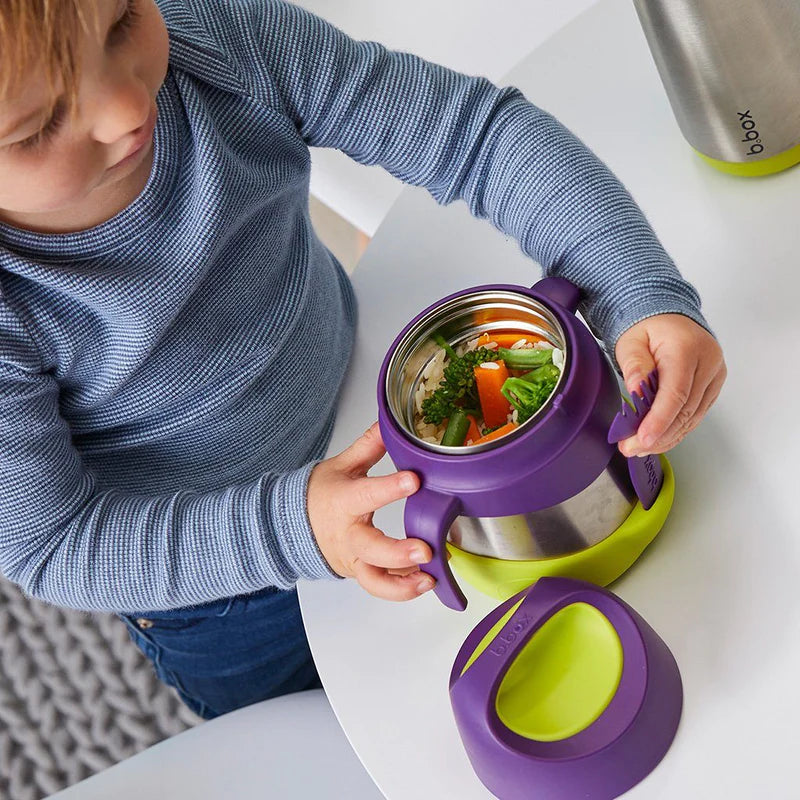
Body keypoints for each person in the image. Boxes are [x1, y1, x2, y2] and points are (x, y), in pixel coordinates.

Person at [0, 0, 726, 719]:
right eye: (38, 128)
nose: (127, 105)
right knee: (314, 734)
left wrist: (635, 287)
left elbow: (479, 138)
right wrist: (292, 530)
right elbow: (52, 542)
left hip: (358, 391)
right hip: (230, 592)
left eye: (124, 20)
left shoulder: (216, 34)